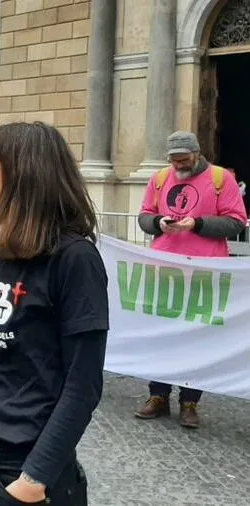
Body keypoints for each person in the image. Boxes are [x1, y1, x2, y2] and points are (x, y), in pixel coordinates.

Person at [0, 122, 106, 506]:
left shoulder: (74, 259)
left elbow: (83, 384)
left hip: (22, 470)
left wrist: (35, 477)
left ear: (23, 173)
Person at [136, 131, 247, 428]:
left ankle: (190, 401)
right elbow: (144, 216)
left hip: (205, 271)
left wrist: (196, 223)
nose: (178, 165)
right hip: (165, 267)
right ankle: (157, 395)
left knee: (197, 337)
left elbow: (236, 221)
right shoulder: (160, 178)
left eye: (183, 159)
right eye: (173, 160)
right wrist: (158, 223)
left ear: (197, 154)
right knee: (161, 334)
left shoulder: (221, 179)